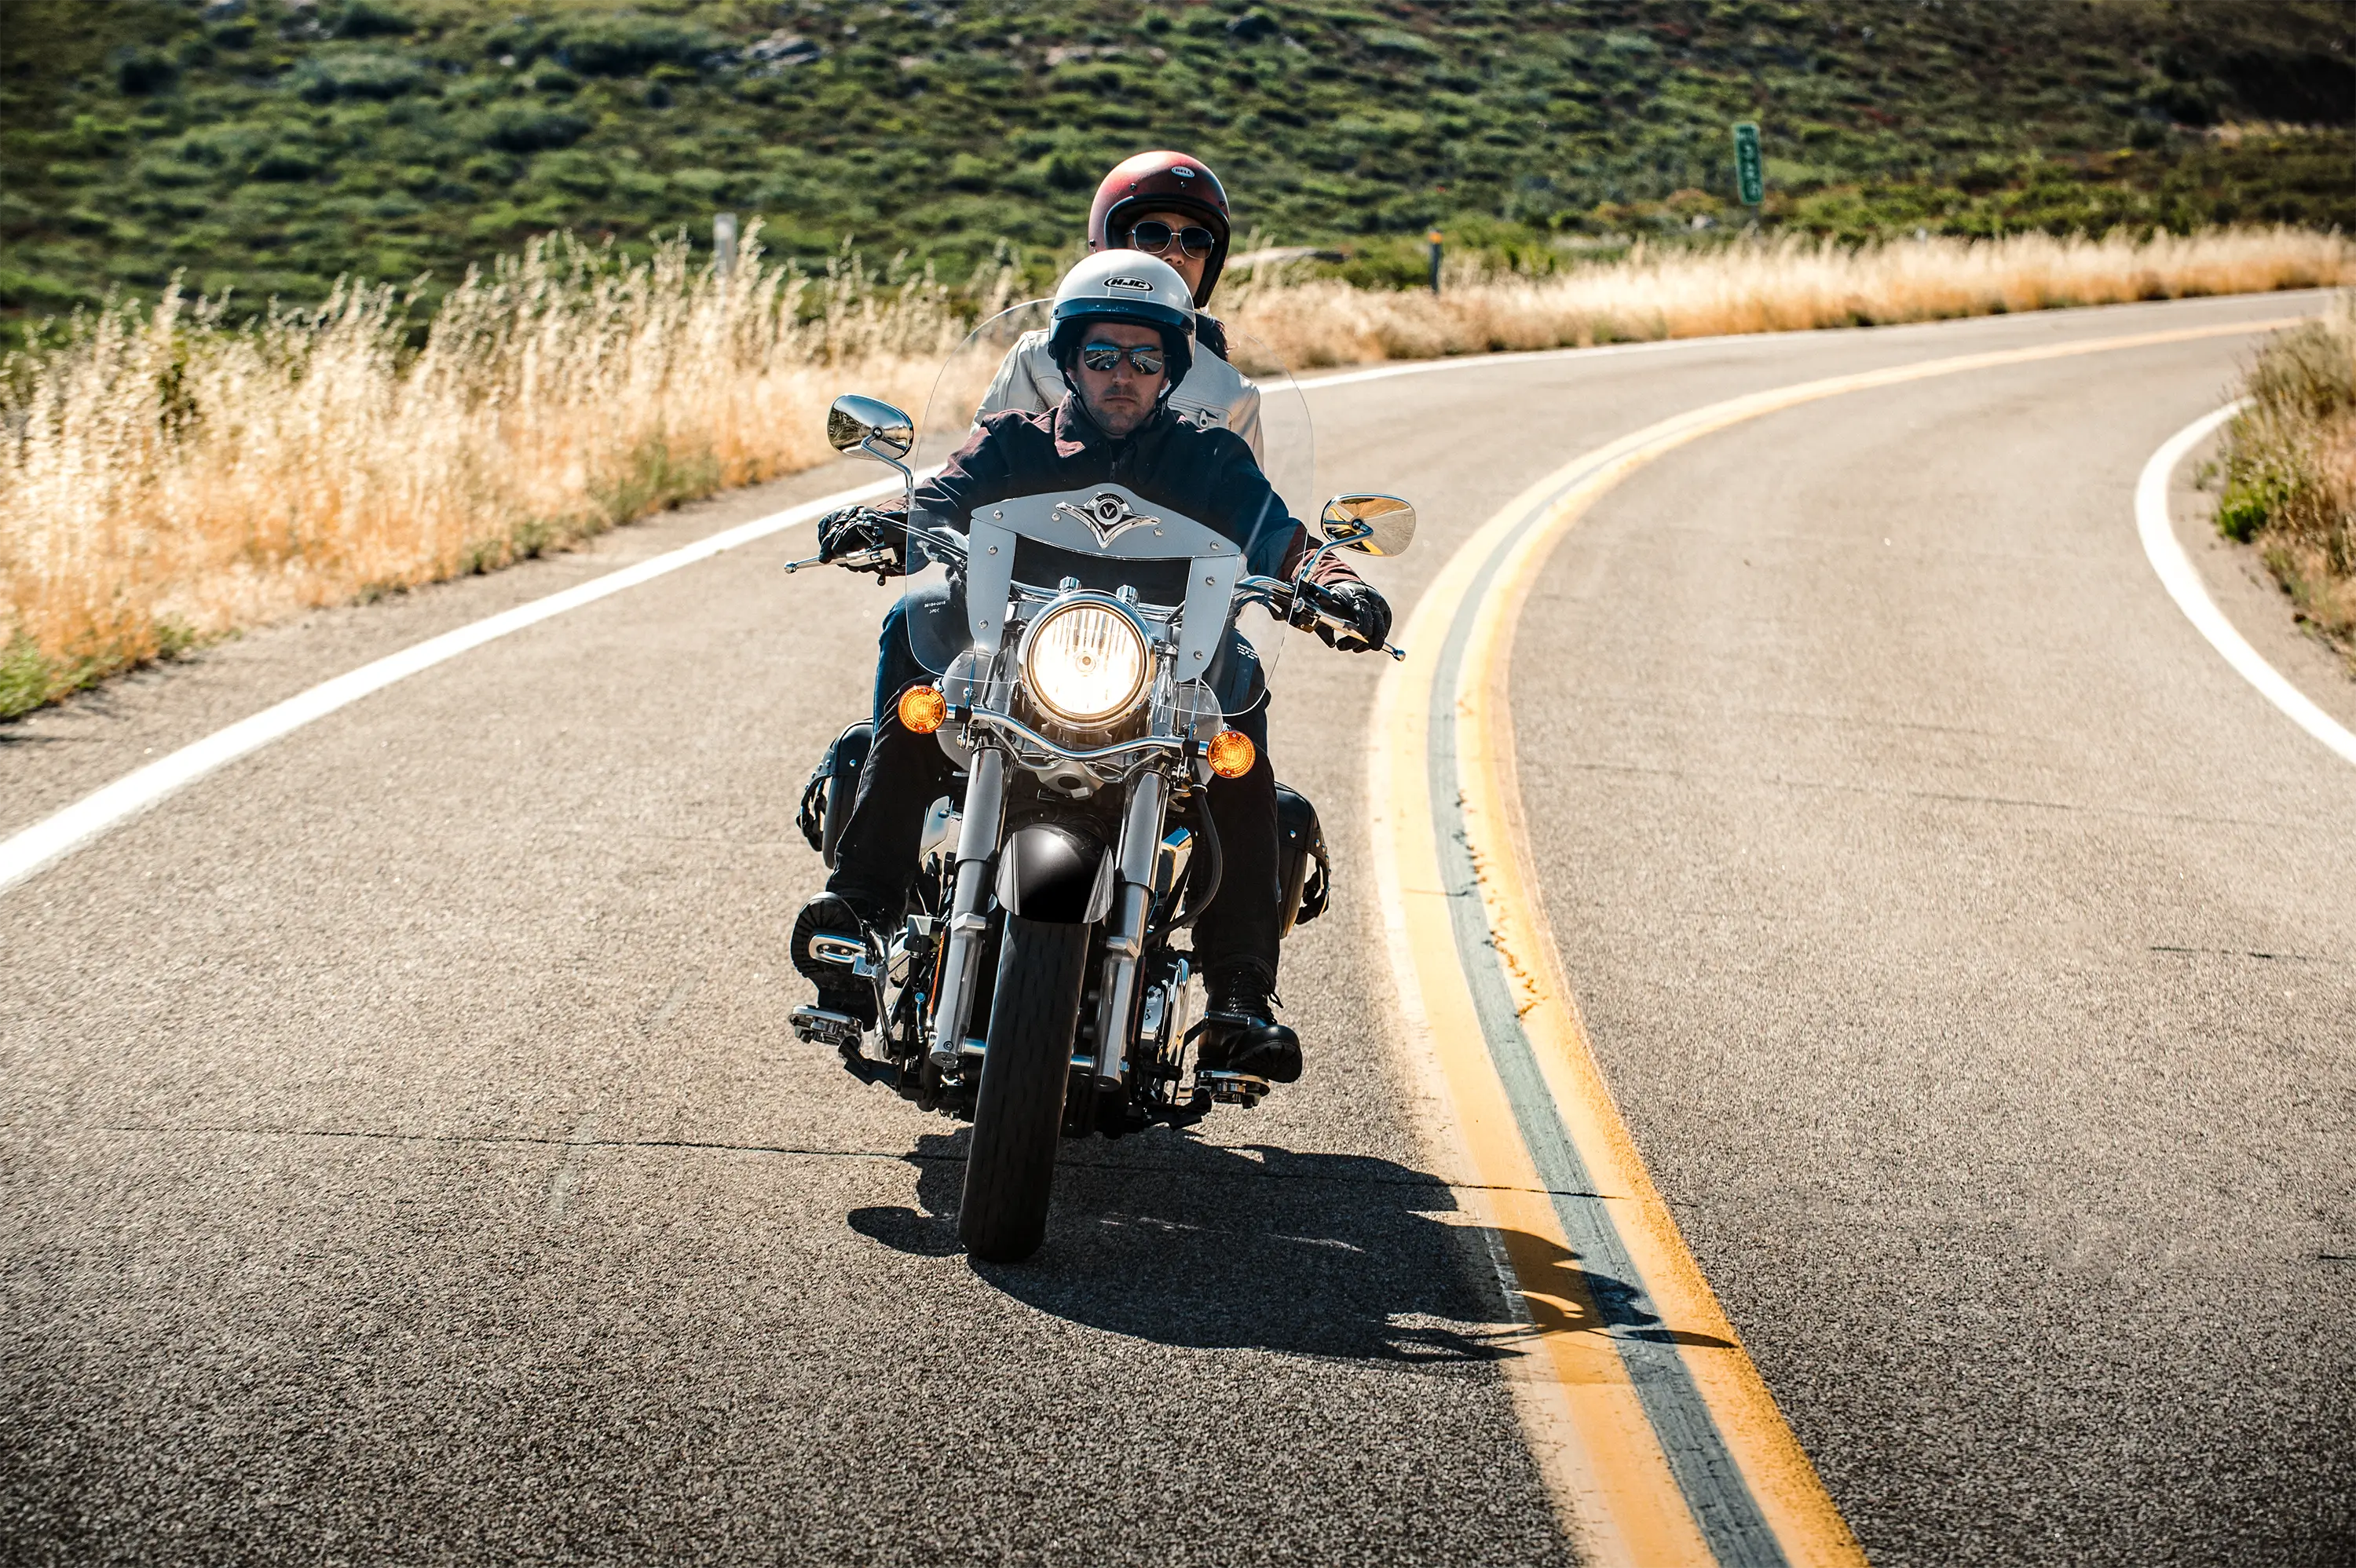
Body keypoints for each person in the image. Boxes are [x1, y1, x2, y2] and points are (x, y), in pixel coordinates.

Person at [792, 252, 1392, 1086]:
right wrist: (882, 518)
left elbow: (1280, 538)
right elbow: (939, 495)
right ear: (1070, 361)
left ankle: (1239, 997)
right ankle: (862, 908)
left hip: (1153, 684)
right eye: (1103, 355)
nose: (1122, 374)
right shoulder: (1013, 441)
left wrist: (1333, 582)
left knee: (1240, 693)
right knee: (916, 625)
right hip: (1023, 671)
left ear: (1170, 370)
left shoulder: (1212, 460)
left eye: (1145, 357)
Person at [978, 150, 1260, 455]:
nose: (1175, 254)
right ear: (1111, 240)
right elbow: (983, 465)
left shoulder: (1233, 392)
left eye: (1195, 241)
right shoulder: (1037, 358)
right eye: (1153, 235)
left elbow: (1246, 486)